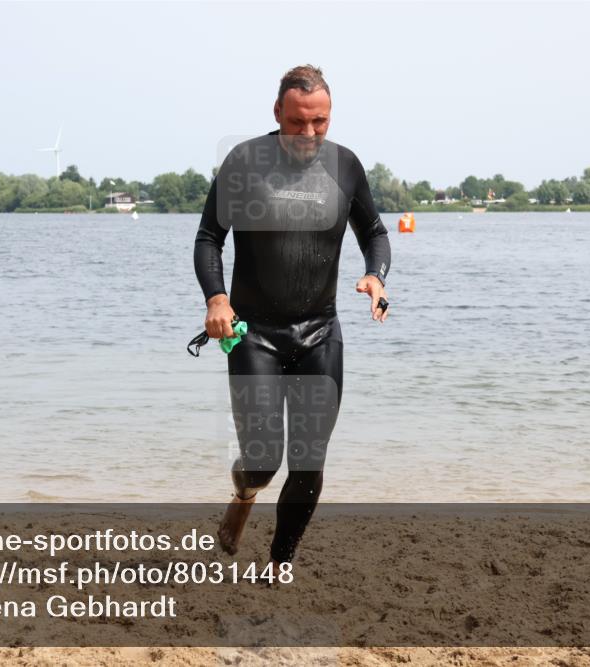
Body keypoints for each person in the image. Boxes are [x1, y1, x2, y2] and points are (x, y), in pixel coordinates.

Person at [194, 65, 391, 571]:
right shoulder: (244, 163)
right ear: (277, 113)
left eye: (319, 122)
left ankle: (278, 563)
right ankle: (244, 496)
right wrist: (217, 298)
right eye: (298, 122)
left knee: (308, 464)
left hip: (320, 331)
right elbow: (209, 239)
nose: (308, 134)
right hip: (253, 334)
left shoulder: (346, 166)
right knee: (261, 462)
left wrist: (376, 275)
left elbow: (374, 233)